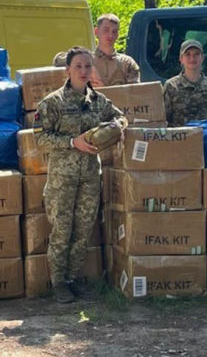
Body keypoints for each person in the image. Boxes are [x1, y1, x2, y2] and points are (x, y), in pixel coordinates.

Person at [34, 46, 127, 303]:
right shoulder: (52, 102)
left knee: (84, 229)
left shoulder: (98, 101)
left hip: (89, 176)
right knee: (62, 230)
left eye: (88, 66)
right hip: (62, 178)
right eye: (78, 66)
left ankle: (72, 279)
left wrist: (114, 127)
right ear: (68, 70)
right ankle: (58, 283)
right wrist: (72, 142)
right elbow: (41, 138)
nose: (84, 71)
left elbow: (120, 117)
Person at [53, 14, 141, 87]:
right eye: (106, 30)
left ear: (117, 35)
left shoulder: (127, 63)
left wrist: (104, 90)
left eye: (114, 31)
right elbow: (58, 60)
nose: (110, 35)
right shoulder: (86, 59)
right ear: (96, 32)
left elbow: (135, 94)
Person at [164, 39, 207, 127]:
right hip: (178, 138)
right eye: (187, 54)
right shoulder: (171, 86)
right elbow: (164, 120)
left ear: (202, 58)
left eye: (196, 54)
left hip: (205, 138)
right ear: (181, 59)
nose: (192, 58)